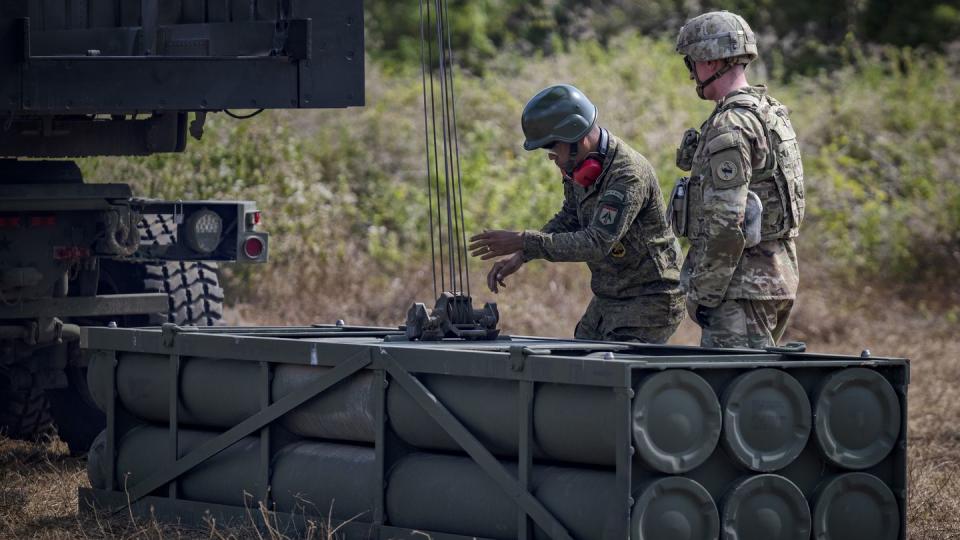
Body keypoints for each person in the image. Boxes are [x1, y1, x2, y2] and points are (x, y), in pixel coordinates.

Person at [469, 84, 684, 344]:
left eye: (553, 148)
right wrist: (523, 254)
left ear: (575, 138)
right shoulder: (578, 165)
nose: (551, 158)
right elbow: (569, 217)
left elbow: (596, 243)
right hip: (610, 295)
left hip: (650, 299)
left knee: (605, 371)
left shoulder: (627, 175)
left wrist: (525, 239)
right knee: (577, 361)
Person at [670, 11, 805, 348]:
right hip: (773, 277)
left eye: (693, 63)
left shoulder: (731, 125)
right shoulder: (769, 111)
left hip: (742, 287)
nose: (691, 74)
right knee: (755, 388)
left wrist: (706, 291)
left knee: (734, 393)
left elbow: (729, 221)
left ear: (712, 60)